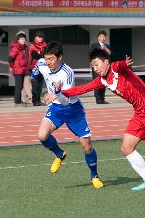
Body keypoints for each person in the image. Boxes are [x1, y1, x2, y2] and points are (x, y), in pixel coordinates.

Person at [45, 48, 145, 191]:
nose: (95, 68)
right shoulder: (102, 80)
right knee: (126, 148)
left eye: (96, 64)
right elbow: (81, 89)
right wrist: (58, 93)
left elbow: (120, 65)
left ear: (106, 62)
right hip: (139, 113)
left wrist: (125, 64)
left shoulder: (116, 69)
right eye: (93, 66)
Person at [31, 42, 104, 189]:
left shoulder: (67, 73)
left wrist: (56, 93)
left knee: (86, 145)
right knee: (42, 135)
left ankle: (94, 175)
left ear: (60, 57)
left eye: (51, 59)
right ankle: (59, 154)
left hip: (73, 109)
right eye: (46, 58)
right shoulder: (41, 63)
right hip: (56, 109)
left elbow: (66, 99)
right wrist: (34, 77)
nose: (48, 62)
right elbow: (36, 70)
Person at [8, 31, 30, 107]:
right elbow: (10, 59)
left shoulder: (25, 47)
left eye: (23, 39)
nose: (22, 40)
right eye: (21, 39)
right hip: (18, 70)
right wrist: (12, 67)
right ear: (17, 40)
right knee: (18, 86)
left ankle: (19, 100)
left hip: (24, 69)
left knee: (21, 86)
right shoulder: (16, 47)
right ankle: (17, 102)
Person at [90, 30, 111, 104]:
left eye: (104, 37)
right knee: (97, 82)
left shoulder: (107, 46)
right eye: (101, 37)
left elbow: (109, 55)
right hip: (97, 67)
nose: (103, 38)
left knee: (104, 82)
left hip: (104, 67)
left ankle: (102, 98)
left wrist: (107, 51)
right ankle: (98, 99)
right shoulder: (94, 45)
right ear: (98, 38)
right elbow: (91, 54)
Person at [28, 30, 47, 106]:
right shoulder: (32, 46)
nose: (41, 39)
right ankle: (34, 101)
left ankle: (38, 100)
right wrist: (41, 54)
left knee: (39, 86)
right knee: (35, 86)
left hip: (42, 68)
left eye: (42, 37)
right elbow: (35, 56)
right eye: (39, 37)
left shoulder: (45, 45)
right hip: (33, 68)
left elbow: (46, 55)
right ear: (36, 37)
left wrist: (41, 54)